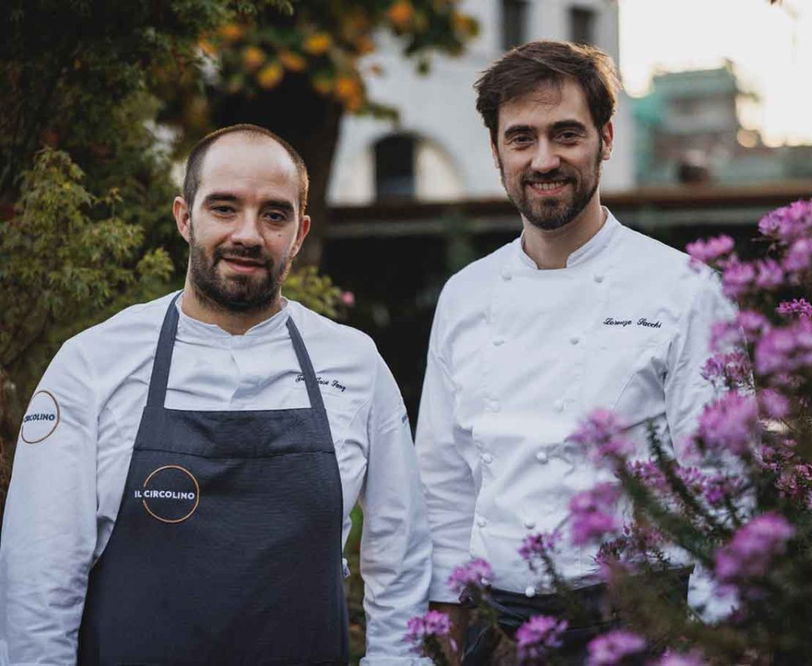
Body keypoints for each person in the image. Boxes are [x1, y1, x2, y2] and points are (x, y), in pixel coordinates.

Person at [0, 124, 431, 665]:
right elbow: (39, 576)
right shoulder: (93, 364)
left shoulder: (355, 364)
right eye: (224, 208)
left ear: (299, 233)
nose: (248, 234)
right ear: (185, 216)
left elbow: (403, 556)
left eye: (274, 214)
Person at [414, 41, 737, 663]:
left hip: (640, 620)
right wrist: (444, 617)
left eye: (566, 134)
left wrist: (715, 631)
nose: (544, 159)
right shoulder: (465, 295)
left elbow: (723, 477)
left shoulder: (685, 289)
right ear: (495, 151)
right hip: (496, 627)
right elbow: (445, 478)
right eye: (521, 138)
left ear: (606, 138)